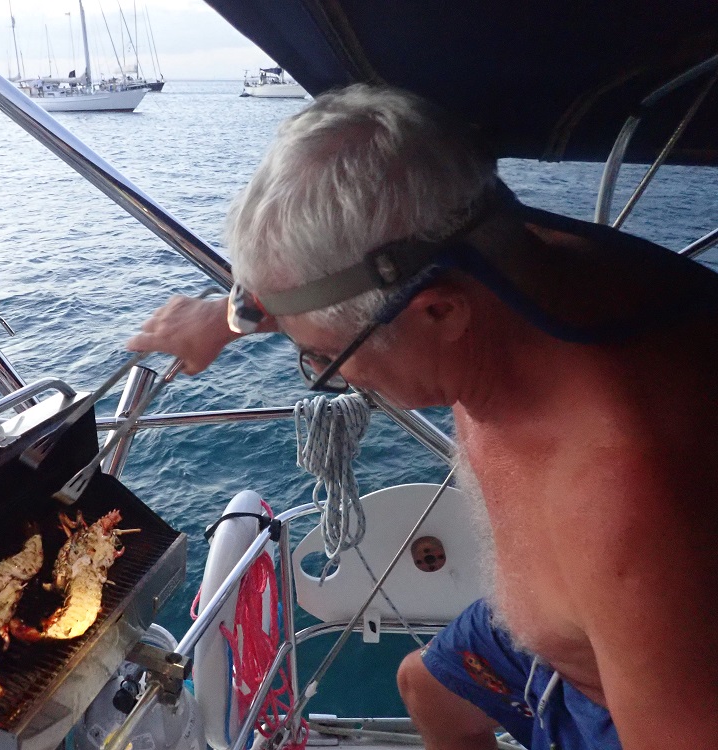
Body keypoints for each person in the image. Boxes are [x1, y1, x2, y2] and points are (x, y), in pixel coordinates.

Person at [127, 83, 718, 749]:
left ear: (438, 312)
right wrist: (228, 317)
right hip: (556, 632)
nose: (331, 376)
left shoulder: (627, 502)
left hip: (624, 693)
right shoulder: (499, 250)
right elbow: (356, 278)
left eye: (322, 358)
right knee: (426, 686)